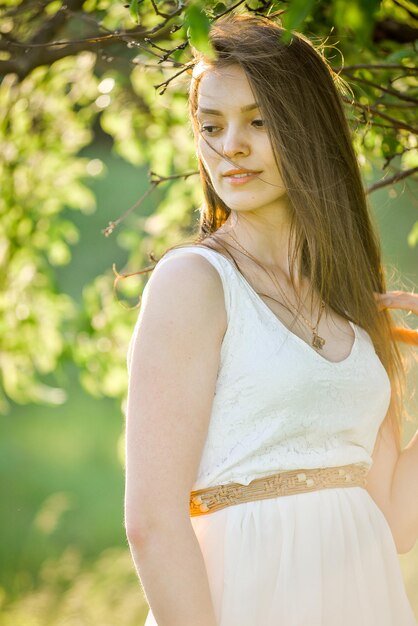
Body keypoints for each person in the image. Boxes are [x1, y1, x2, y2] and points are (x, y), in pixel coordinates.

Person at [123, 14, 418, 626]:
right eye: (212, 126)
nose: (230, 145)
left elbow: (395, 520)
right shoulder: (195, 284)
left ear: (308, 129)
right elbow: (152, 522)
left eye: (258, 122)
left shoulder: (351, 301)